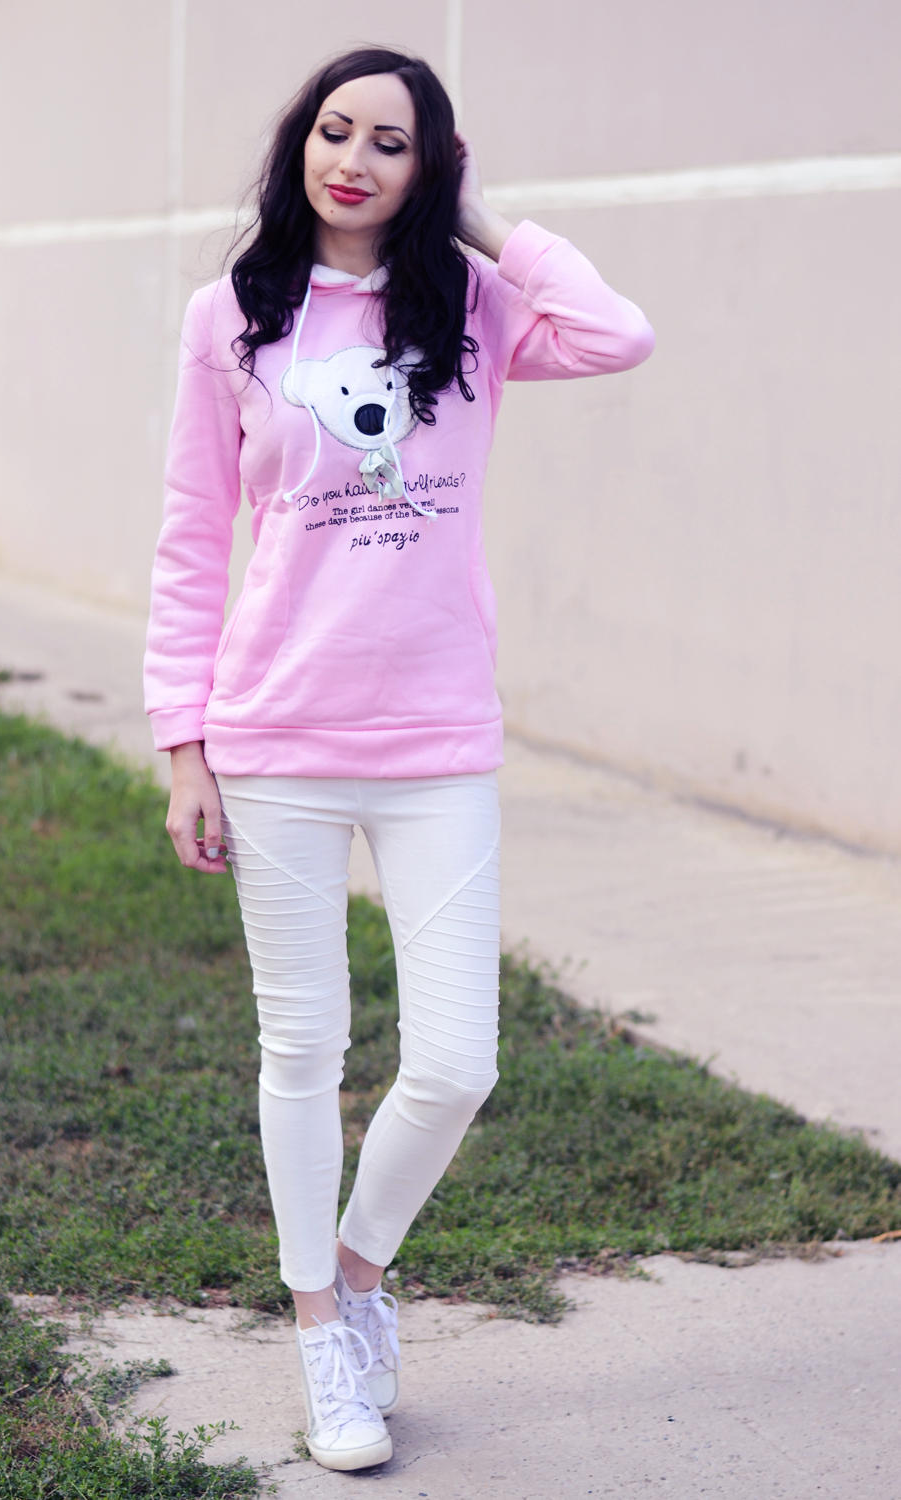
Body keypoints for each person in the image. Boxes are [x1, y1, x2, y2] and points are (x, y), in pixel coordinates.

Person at [144, 46, 654, 1472]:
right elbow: (190, 540)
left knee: (456, 1062)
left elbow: (619, 334)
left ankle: (361, 1269)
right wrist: (183, 744)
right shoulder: (231, 317)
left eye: (390, 142)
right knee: (302, 1047)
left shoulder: (474, 305)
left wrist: (481, 221)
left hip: (435, 741)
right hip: (275, 736)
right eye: (333, 130)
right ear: (297, 146)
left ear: (431, 166)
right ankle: (319, 1327)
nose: (353, 160)